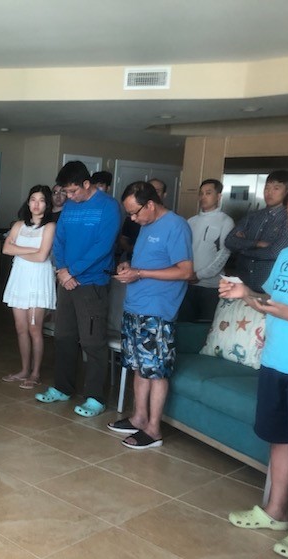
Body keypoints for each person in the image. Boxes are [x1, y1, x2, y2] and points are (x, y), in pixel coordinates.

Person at [222, 176, 288, 559]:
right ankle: (275, 512)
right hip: (276, 361)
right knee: (279, 439)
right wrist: (246, 295)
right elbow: (272, 301)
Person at [107, 181, 193, 449]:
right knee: (138, 367)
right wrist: (129, 266)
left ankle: (154, 429)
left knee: (155, 371)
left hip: (158, 312)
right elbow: (147, 262)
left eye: (135, 212)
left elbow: (185, 271)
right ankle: (138, 417)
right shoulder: (146, 226)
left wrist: (140, 273)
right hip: (135, 306)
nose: (133, 218)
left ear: (151, 204)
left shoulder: (176, 226)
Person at [35, 161, 121, 417]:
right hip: (67, 281)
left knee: (93, 342)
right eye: (65, 192)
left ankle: (95, 397)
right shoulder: (71, 207)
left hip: (92, 284)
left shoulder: (108, 207)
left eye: (73, 191)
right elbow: (59, 241)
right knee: (63, 337)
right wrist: (62, 270)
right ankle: (63, 388)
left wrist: (72, 271)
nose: (68, 197)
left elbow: (102, 246)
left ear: (87, 184)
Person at [1, 186, 56, 389]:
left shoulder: (50, 226)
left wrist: (19, 250)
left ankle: (35, 373)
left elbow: (42, 257)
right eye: (33, 199)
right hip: (20, 278)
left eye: (41, 200)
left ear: (47, 204)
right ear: (28, 202)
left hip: (39, 279)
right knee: (21, 328)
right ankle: (24, 369)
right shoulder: (18, 225)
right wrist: (33, 249)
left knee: (35, 328)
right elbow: (6, 248)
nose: (36, 204)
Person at [225, 170, 288, 292]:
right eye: (267, 188)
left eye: (276, 188)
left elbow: (274, 253)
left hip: (271, 288)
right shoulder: (253, 216)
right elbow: (229, 241)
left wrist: (242, 249)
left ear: (287, 191)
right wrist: (256, 244)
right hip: (243, 285)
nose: (269, 192)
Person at [178, 178, 234, 322]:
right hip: (187, 283)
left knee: (205, 327)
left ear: (218, 196)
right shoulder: (191, 221)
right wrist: (187, 274)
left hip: (211, 287)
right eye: (201, 193)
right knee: (185, 325)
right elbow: (183, 251)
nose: (203, 197)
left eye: (208, 193)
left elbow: (223, 254)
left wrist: (199, 275)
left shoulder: (225, 221)